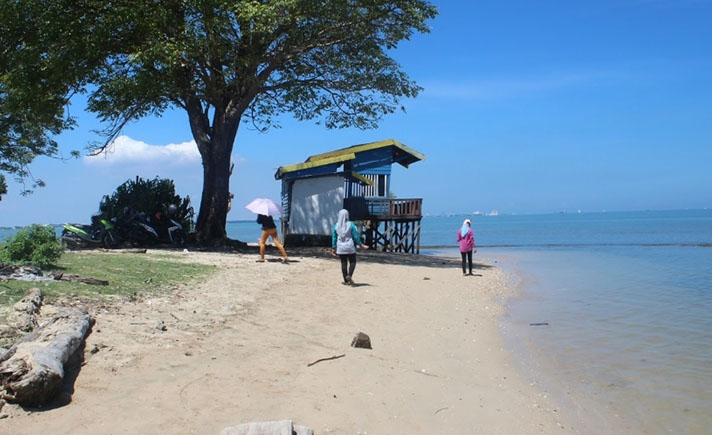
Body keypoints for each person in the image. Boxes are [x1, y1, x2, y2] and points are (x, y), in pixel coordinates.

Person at [331, 209, 368, 285]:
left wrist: (334, 248)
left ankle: (346, 280)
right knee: (353, 262)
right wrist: (361, 245)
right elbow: (355, 236)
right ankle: (349, 275)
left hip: (340, 247)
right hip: (350, 246)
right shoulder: (351, 225)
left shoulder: (336, 226)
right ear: (347, 216)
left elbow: (334, 238)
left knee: (343, 263)